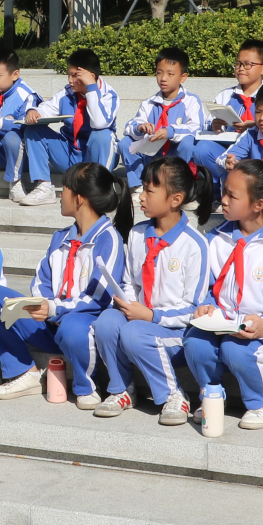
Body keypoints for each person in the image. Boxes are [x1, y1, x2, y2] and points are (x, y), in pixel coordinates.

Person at [0, 162, 129, 406]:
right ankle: (24, 371)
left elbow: (98, 297)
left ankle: (87, 386)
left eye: (64, 189)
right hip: (50, 322)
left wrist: (56, 309)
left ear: (79, 198)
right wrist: (42, 303)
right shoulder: (60, 237)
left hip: (82, 325)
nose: (61, 196)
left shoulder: (109, 239)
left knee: (72, 326)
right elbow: (42, 278)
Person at [184, 159, 263, 437]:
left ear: (258, 204)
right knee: (195, 342)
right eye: (223, 191)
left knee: (234, 349)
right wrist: (206, 307)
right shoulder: (216, 238)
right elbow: (209, 286)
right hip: (223, 325)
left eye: (231, 195)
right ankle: (213, 396)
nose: (223, 200)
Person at [95, 155, 212, 423]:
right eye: (142, 188)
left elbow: (193, 309)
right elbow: (130, 281)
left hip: (174, 330)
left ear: (175, 199)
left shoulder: (194, 245)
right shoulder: (137, 234)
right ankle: (122, 389)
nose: (141, 196)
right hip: (140, 318)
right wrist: (126, 302)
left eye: (149, 190)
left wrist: (151, 316)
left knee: (135, 332)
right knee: (106, 322)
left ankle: (174, 396)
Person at [22, 48, 119, 201]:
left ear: (91, 76)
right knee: (33, 130)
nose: (70, 80)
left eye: (75, 76)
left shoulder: (108, 95)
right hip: (70, 155)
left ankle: (100, 187)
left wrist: (91, 89)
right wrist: (34, 111)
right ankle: (44, 187)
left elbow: (100, 123)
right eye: (69, 74)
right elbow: (47, 107)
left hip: (97, 157)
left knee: (103, 134)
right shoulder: (66, 94)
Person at [119, 48, 206, 189]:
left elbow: (196, 128)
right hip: (152, 154)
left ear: (183, 77)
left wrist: (170, 131)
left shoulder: (191, 101)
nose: (163, 78)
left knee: (189, 142)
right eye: (159, 73)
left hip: (176, 154)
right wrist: (140, 127)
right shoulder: (149, 103)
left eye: (170, 74)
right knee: (125, 143)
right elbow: (130, 125)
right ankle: (138, 187)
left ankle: (182, 187)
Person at [192, 39, 263, 182]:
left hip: (259, 149)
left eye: (248, 64)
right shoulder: (226, 95)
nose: (241, 68)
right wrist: (214, 126)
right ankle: (220, 193)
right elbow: (209, 123)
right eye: (238, 64)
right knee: (201, 149)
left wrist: (255, 126)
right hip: (228, 150)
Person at [0, 47, 45, 202]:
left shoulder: (27, 95)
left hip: (21, 156)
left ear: (15, 74)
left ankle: (15, 183)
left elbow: (26, 125)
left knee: (12, 136)